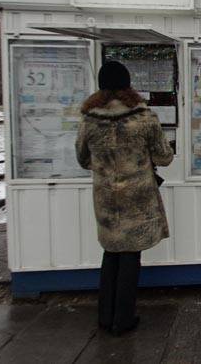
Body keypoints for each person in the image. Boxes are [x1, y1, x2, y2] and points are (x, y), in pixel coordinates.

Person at [75, 60, 174, 336]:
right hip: (137, 199)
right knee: (131, 255)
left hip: (106, 200)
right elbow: (165, 157)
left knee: (110, 253)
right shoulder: (144, 118)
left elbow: (82, 159)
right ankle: (124, 319)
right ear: (128, 85)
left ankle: (105, 317)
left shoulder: (89, 120)